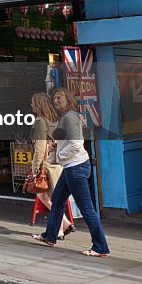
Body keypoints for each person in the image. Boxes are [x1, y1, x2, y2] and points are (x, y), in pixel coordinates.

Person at [32, 88, 110, 258]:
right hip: (70, 168)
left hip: (76, 167)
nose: (56, 101)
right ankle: (50, 236)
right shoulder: (65, 117)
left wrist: (59, 155)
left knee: (87, 209)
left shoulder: (70, 117)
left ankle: (100, 247)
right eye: (54, 99)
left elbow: (76, 144)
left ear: (68, 99)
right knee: (57, 200)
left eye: (59, 98)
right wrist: (56, 146)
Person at [30, 92, 71, 239]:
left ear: (38, 104)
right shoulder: (55, 119)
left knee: (52, 198)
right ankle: (66, 224)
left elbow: (40, 146)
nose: (31, 105)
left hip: (49, 164)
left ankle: (59, 230)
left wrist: (35, 168)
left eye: (33, 102)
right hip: (58, 162)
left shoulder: (41, 121)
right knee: (43, 195)